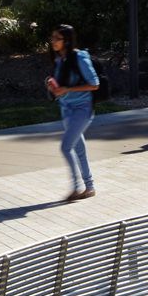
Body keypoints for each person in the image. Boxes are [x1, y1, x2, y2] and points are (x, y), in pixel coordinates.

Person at [46, 25, 99, 202]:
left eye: (57, 38)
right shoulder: (60, 61)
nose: (53, 41)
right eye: (52, 38)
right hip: (66, 109)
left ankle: (76, 187)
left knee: (65, 147)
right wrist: (53, 87)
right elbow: (62, 86)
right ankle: (89, 187)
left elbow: (94, 84)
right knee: (79, 149)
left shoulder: (80, 58)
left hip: (82, 110)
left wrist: (68, 89)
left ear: (66, 41)